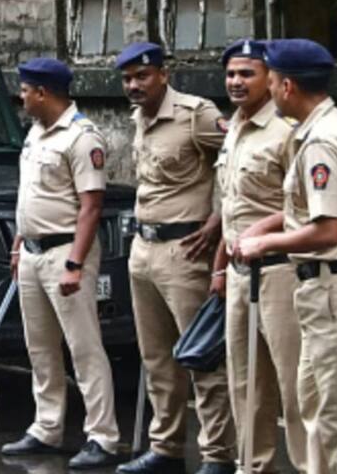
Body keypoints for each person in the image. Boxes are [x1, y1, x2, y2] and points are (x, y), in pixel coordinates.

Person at [234, 39, 337, 474]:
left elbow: (328, 229)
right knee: (315, 405)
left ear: (287, 86)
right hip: (333, 283)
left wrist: (265, 245)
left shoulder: (321, 142)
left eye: (273, 79)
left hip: (336, 284)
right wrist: (267, 225)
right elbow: (313, 208)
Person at [114, 42, 236, 474]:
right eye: (127, 79)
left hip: (186, 251)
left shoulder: (194, 114)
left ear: (163, 74)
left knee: (200, 356)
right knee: (156, 358)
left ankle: (217, 455)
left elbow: (236, 157)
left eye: (142, 76)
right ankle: (165, 448)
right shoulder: (139, 118)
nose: (134, 86)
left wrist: (219, 219)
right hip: (143, 249)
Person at [0, 57, 123, 468]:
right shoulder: (36, 132)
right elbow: (28, 196)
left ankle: (102, 436)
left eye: (25, 90)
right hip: (33, 253)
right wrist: (19, 242)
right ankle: (47, 427)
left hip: (66, 252)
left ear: (43, 92)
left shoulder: (82, 137)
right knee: (40, 348)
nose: (21, 97)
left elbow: (91, 207)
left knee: (84, 347)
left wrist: (75, 262)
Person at [212, 40, 306, 473]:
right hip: (237, 273)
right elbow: (229, 207)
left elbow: (306, 209)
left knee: (294, 384)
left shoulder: (287, 131)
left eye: (247, 73)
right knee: (245, 382)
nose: (236, 82)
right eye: (231, 73)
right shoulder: (233, 126)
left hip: (282, 272)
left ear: (271, 78)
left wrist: (262, 233)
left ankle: (311, 466)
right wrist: (218, 267)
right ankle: (254, 467)